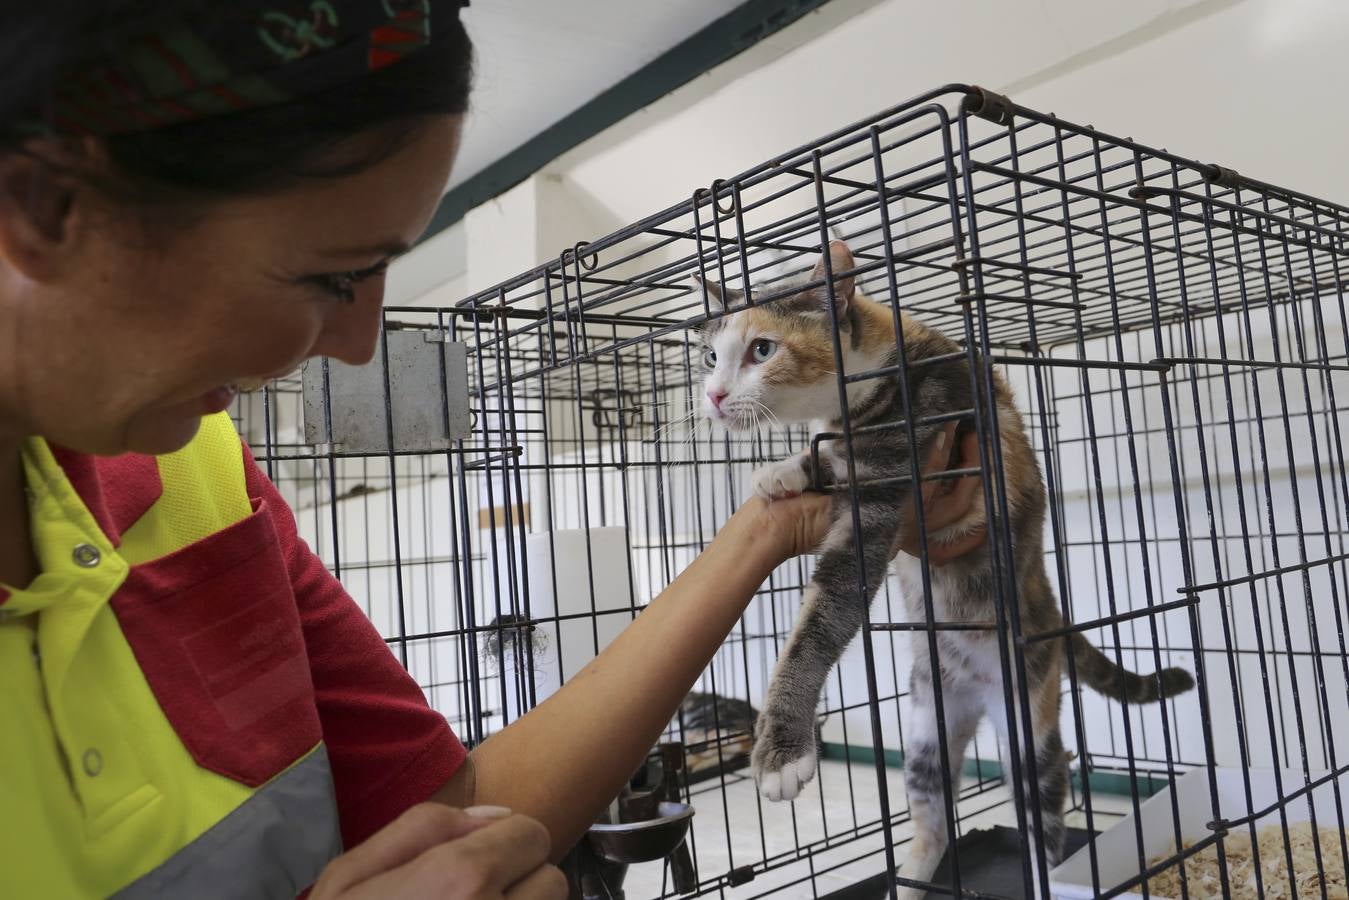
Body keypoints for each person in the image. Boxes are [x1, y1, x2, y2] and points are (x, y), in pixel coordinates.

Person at [0, 2, 985, 897]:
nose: (357, 342)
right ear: (43, 206)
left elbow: (454, 799)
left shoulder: (199, 472)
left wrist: (773, 525)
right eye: (328, 276)